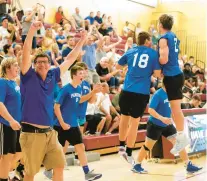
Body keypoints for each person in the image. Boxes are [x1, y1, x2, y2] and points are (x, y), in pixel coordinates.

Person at [19, 21, 87, 181]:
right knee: (30, 172)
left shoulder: (52, 75)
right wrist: (32, 31)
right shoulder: (28, 76)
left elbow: (70, 59)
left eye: (45, 61)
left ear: (49, 64)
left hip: (50, 133)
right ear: (34, 65)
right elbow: (26, 50)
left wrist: (81, 40)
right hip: (32, 133)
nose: (42, 64)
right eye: (38, 62)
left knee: (59, 165)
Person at [132, 86, 202, 174]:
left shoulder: (171, 94)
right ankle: (137, 165)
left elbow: (172, 109)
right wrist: (162, 118)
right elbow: (150, 110)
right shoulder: (158, 94)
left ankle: (188, 165)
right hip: (155, 125)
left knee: (179, 142)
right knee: (148, 146)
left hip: (167, 125)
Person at [116, 31, 161, 165]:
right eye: (150, 40)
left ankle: (121, 146)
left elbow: (118, 66)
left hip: (127, 90)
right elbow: (158, 74)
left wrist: (128, 70)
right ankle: (129, 153)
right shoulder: (153, 54)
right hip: (141, 92)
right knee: (134, 123)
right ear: (147, 41)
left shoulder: (131, 51)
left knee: (124, 118)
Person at [54, 65, 102, 181]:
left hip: (73, 124)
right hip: (61, 125)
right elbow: (56, 107)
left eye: (83, 73)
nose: (83, 75)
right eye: (80, 73)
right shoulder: (66, 89)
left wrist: (93, 92)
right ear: (74, 75)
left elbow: (80, 100)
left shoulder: (79, 88)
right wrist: (62, 123)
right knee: (58, 151)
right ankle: (50, 171)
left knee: (80, 147)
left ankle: (87, 172)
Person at [158, 14, 189, 155]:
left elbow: (163, 60)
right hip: (177, 74)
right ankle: (181, 136)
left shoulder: (163, 39)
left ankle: (181, 137)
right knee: (176, 110)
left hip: (172, 76)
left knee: (176, 110)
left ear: (160, 24)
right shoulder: (174, 36)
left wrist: (155, 57)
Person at [0, 57, 21, 181]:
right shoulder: (3, 82)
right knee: (7, 156)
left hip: (17, 124)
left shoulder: (14, 83)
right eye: (15, 66)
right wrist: (11, 120)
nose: (18, 68)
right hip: (6, 124)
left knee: (18, 153)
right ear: (8, 68)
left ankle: (8, 174)